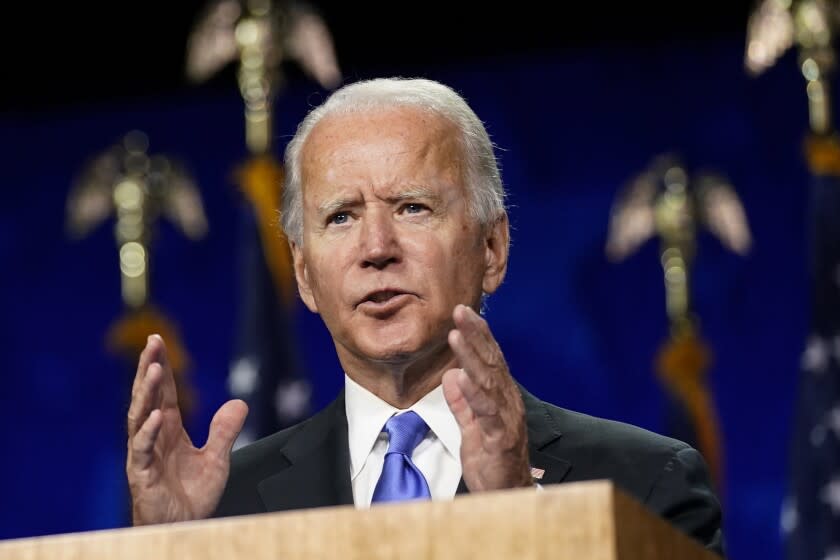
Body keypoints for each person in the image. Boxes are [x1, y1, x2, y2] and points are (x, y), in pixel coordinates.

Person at [126, 77, 724, 555]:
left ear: (492, 249)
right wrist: (161, 550)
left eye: (412, 207)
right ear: (304, 275)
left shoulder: (649, 484)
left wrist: (521, 513)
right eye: (341, 217)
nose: (376, 247)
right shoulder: (222, 509)